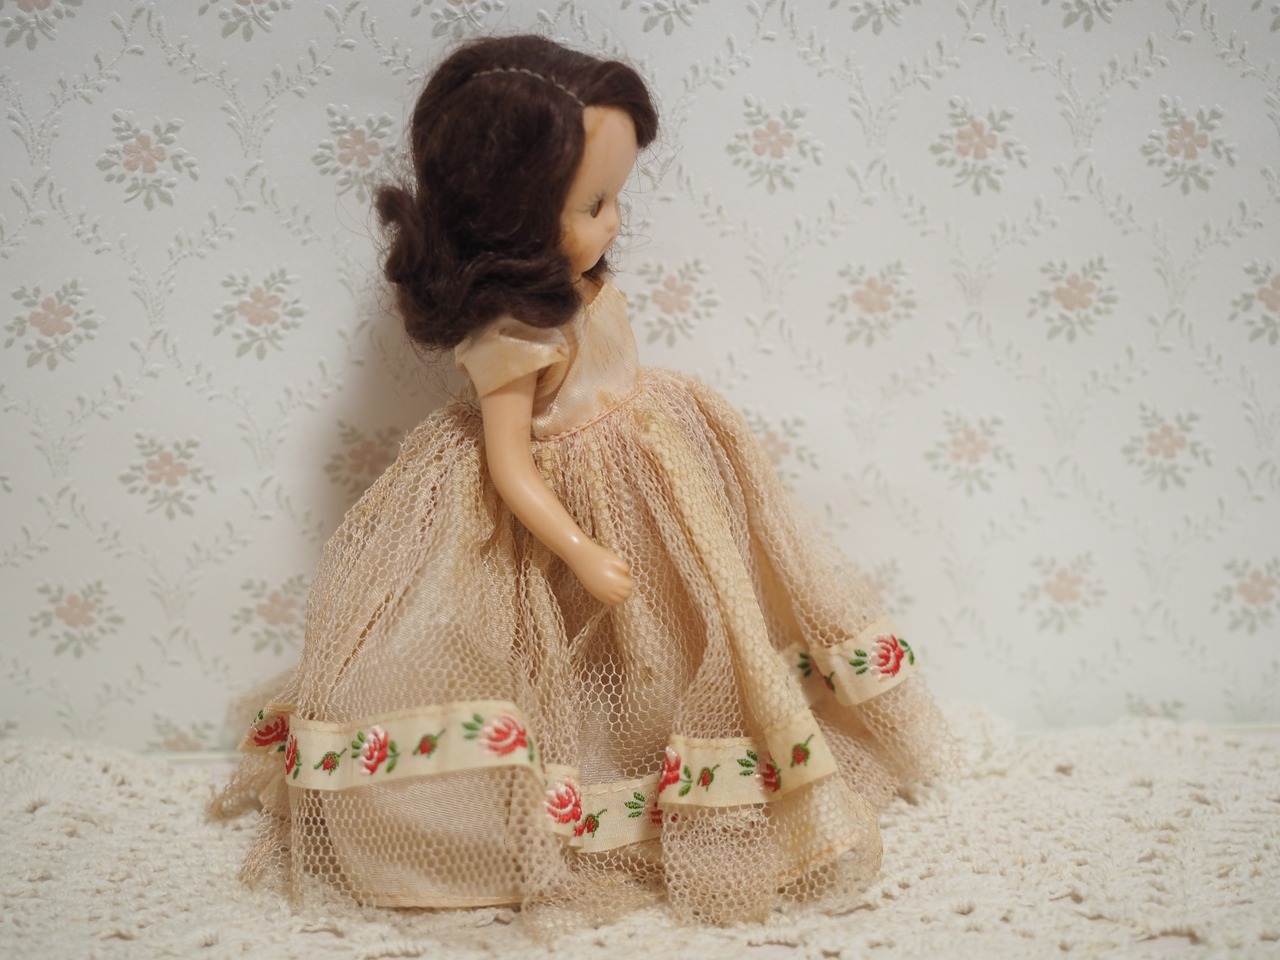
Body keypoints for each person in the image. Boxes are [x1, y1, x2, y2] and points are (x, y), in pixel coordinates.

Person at [214, 33, 951, 926]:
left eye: (615, 198)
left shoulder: (580, 289)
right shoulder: (511, 334)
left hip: (648, 468)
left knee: (673, 639)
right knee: (566, 657)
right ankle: (567, 803)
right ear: (511, 216)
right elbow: (509, 464)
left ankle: (681, 765)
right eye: (594, 204)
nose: (614, 223)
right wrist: (578, 548)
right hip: (566, 501)